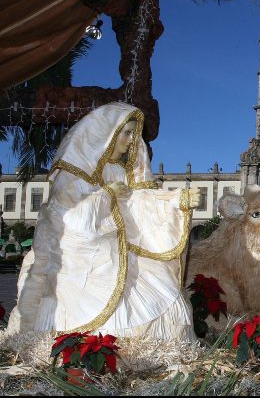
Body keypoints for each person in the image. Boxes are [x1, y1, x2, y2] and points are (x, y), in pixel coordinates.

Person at [7, 102, 202, 340]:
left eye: (134, 134)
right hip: (82, 252)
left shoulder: (123, 171)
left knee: (163, 287)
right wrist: (106, 194)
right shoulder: (75, 172)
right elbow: (65, 214)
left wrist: (176, 200)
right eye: (127, 132)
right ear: (108, 132)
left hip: (123, 245)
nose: (132, 140)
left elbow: (140, 201)